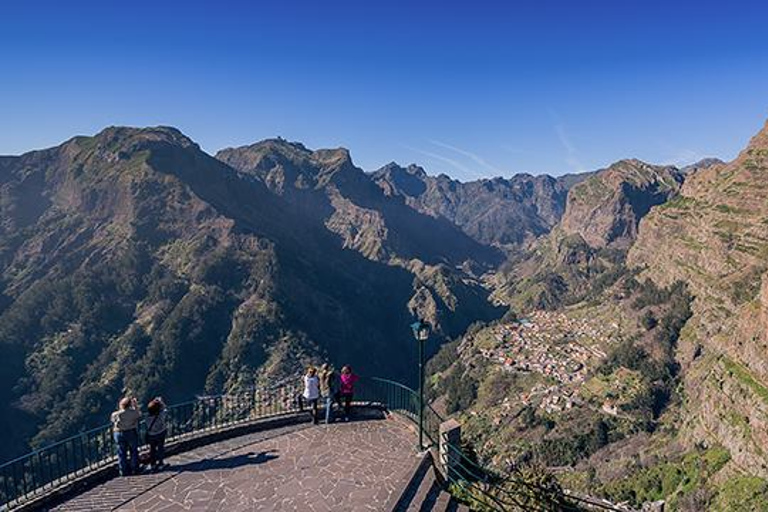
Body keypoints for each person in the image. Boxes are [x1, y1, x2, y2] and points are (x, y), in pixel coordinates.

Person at [111, 397, 142, 476]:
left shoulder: (116, 414)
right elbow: (139, 414)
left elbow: (112, 420)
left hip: (119, 433)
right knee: (133, 451)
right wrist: (135, 406)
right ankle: (135, 469)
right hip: (131, 432)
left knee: (121, 452)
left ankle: (123, 471)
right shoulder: (133, 412)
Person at [146, 397, 169, 471]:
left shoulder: (147, 418)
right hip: (160, 433)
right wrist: (161, 403)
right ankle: (161, 463)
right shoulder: (161, 415)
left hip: (151, 435)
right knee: (160, 448)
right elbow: (165, 410)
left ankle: (153, 464)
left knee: (152, 449)